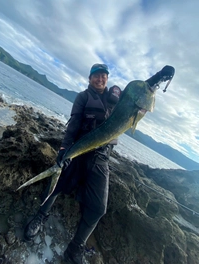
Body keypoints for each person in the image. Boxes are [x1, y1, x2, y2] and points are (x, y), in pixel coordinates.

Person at [24, 63, 175, 264]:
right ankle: (40, 216)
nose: (100, 79)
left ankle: (75, 247)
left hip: (101, 158)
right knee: (56, 186)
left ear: (107, 78)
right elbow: (73, 125)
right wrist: (63, 150)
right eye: (96, 76)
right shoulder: (83, 97)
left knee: (98, 208)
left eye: (104, 76)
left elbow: (138, 91)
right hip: (78, 151)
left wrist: (159, 77)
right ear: (90, 78)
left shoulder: (116, 98)